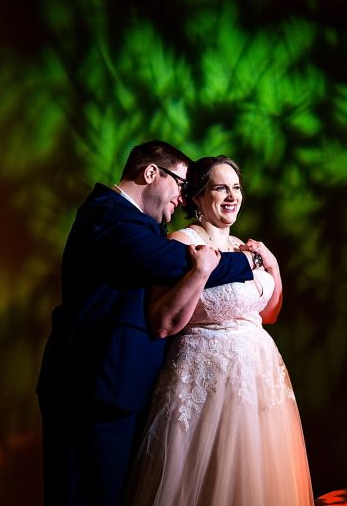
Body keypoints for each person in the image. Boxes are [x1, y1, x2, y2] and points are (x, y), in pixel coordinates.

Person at [36, 141, 260, 506]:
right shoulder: (108, 216)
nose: (181, 197)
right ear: (151, 173)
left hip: (117, 386)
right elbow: (169, 261)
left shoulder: (140, 223)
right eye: (180, 184)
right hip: (92, 387)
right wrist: (246, 262)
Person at [128, 155, 313, 505]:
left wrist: (273, 267)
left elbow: (269, 314)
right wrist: (200, 272)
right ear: (197, 197)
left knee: (256, 479)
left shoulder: (244, 247)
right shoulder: (181, 243)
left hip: (260, 380)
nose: (232, 196)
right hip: (208, 377)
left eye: (237, 187)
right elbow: (164, 320)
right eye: (221, 188)